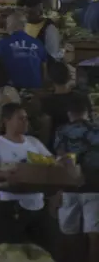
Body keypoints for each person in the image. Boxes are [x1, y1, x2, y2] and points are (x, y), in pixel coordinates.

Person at [0, 102, 53, 249]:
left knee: (40, 250)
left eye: (26, 118)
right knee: (14, 250)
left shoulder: (34, 142)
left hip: (38, 205)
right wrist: (6, 175)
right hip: (11, 206)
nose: (25, 122)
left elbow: (51, 162)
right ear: (6, 121)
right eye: (20, 118)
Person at [54, 92, 99, 262]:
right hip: (95, 187)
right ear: (88, 110)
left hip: (69, 187)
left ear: (68, 112)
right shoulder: (97, 130)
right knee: (95, 237)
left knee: (69, 235)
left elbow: (60, 159)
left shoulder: (62, 131)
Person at [0, 11, 47, 89]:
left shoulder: (1, 45)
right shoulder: (38, 43)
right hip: (35, 90)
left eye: (7, 24)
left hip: (11, 91)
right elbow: (44, 68)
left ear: (10, 25)